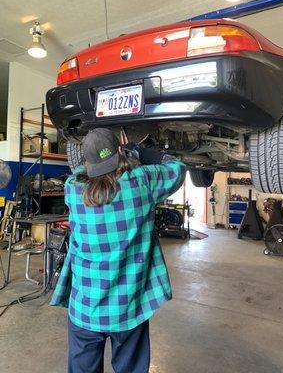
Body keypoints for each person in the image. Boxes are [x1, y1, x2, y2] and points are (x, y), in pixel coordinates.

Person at [50, 127, 187, 373]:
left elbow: (83, 174)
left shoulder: (73, 188)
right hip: (128, 308)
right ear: (119, 152)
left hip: (85, 308)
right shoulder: (141, 181)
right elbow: (178, 169)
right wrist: (139, 152)